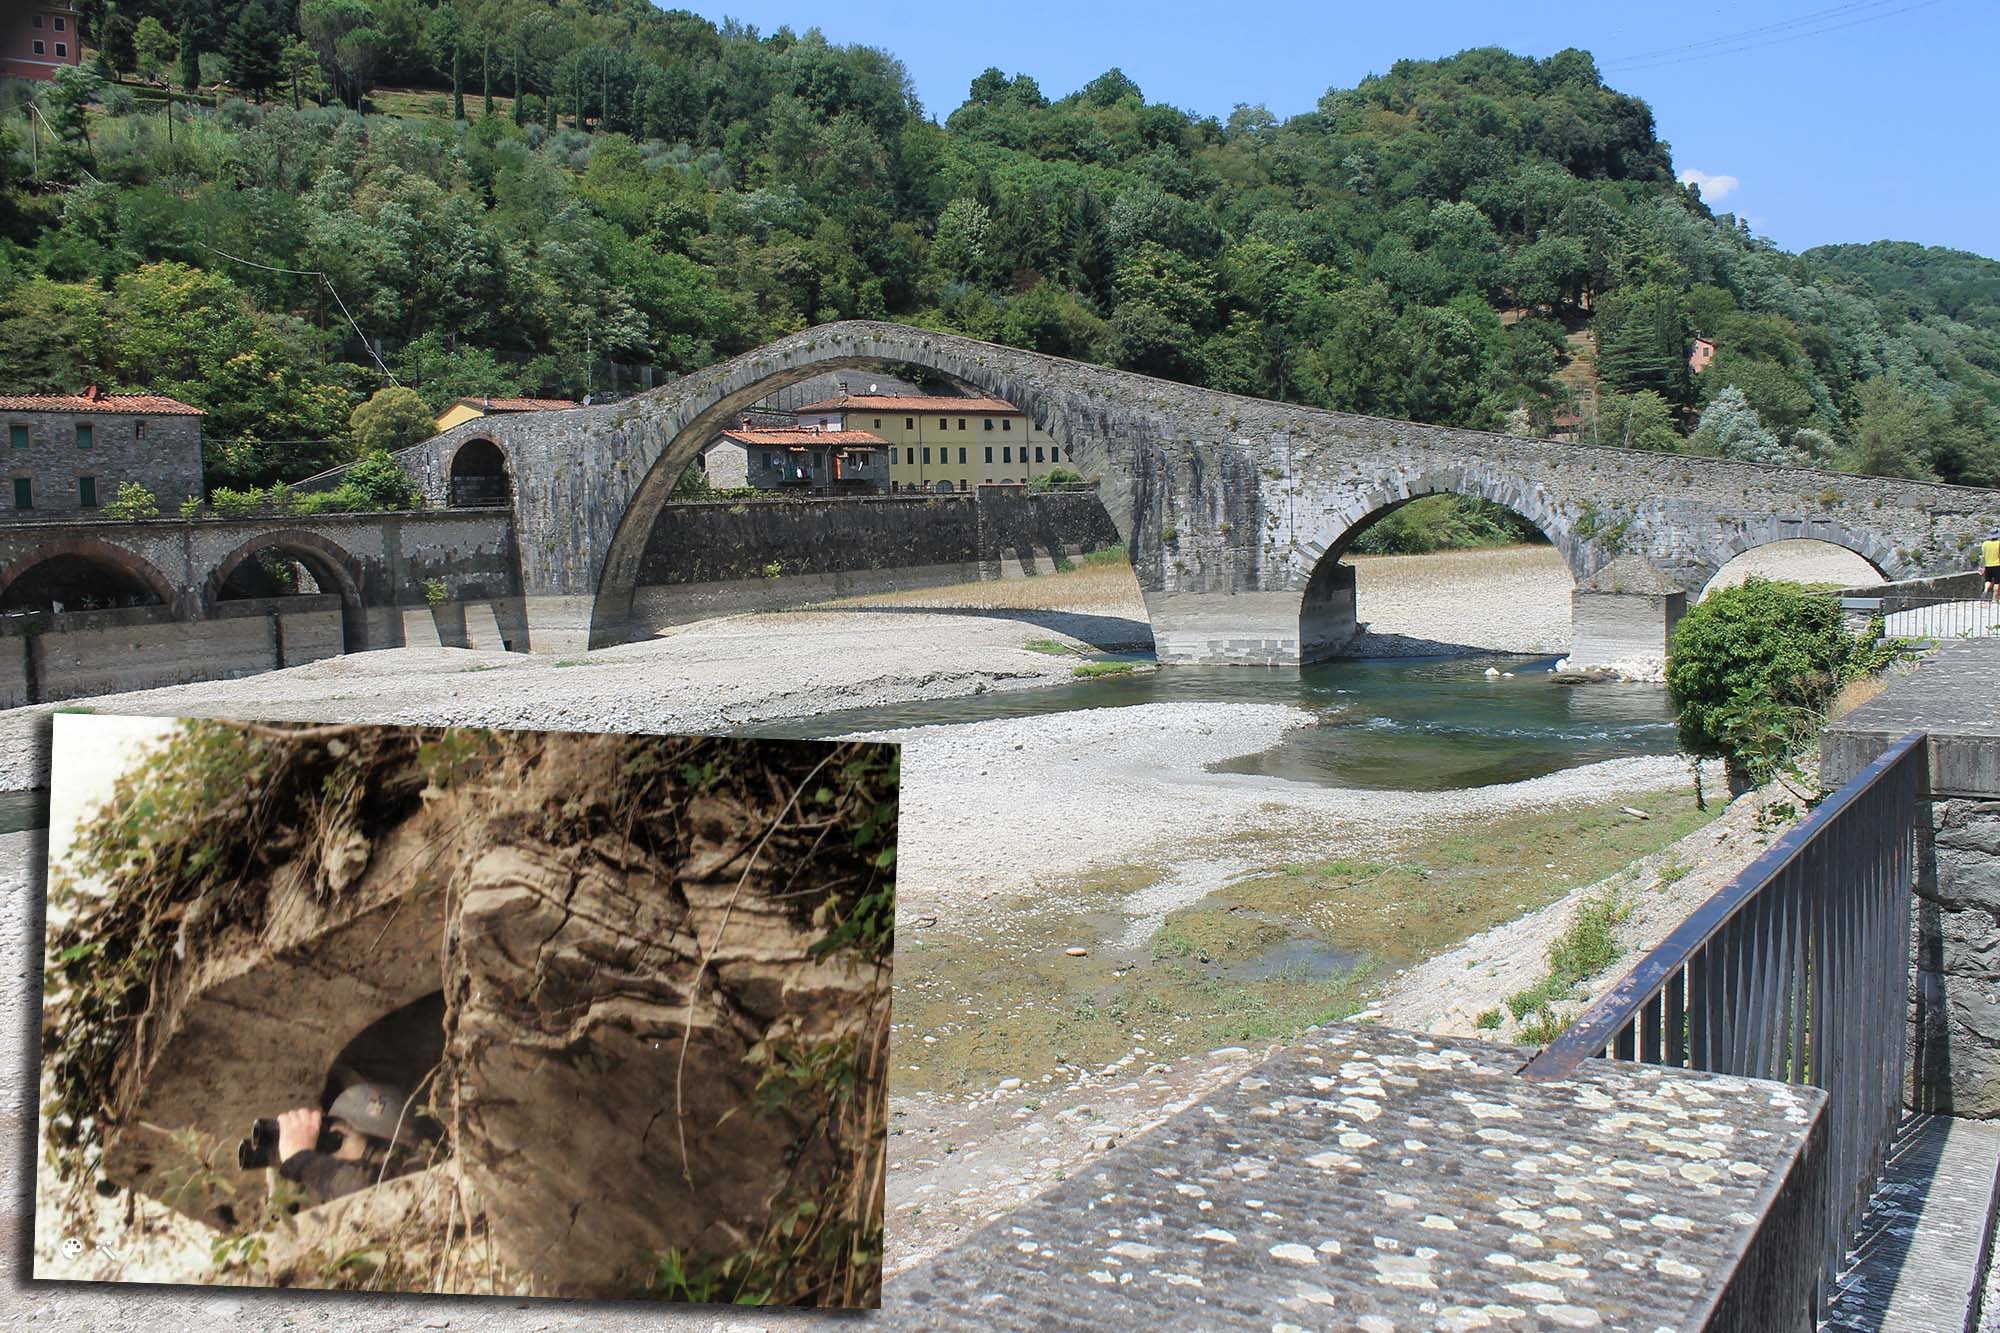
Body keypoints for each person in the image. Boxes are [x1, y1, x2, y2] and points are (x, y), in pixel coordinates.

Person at [274, 1081, 415, 1204]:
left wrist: (304, 1162)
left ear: (384, 1152)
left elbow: (374, 1189)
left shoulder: (414, 1178)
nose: (331, 1156)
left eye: (338, 1138)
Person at [1984, 532, 2000, 605]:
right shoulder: (1998, 543)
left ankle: (1986, 589)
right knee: (1997, 582)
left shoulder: (1985, 544)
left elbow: (1983, 556)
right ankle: (1994, 599)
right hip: (1997, 565)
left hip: (1988, 565)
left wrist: (1982, 566)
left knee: (1988, 580)